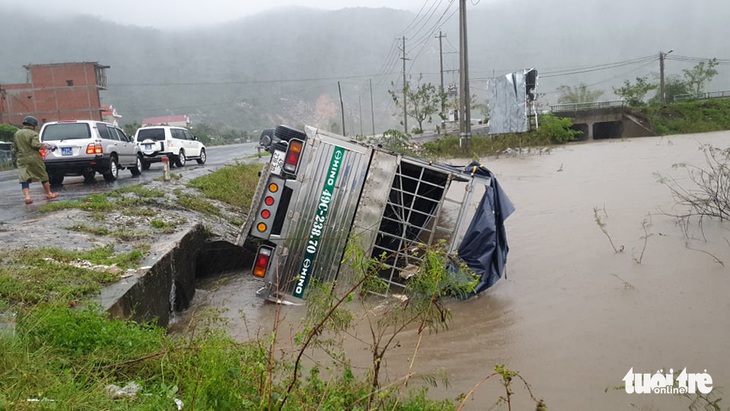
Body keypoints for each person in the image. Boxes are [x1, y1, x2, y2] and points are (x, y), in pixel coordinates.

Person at [11, 116, 59, 204]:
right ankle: (49, 194)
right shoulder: (33, 134)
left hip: (21, 158)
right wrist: (44, 146)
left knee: (24, 177)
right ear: (33, 125)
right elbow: (35, 145)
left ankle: (27, 197)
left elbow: (15, 147)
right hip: (33, 157)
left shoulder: (17, 133)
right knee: (43, 175)